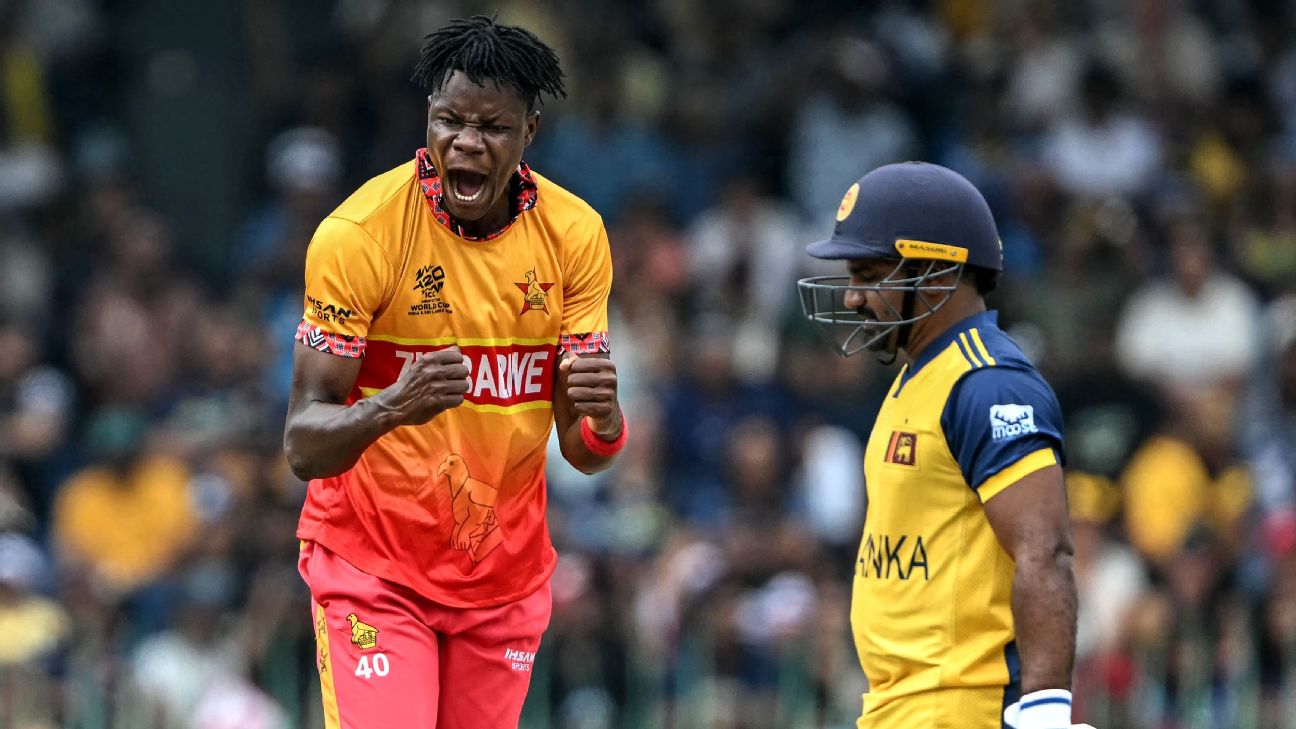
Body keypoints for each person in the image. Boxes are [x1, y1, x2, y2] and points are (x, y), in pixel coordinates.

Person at [282, 16, 627, 729]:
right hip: (374, 569)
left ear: (529, 132)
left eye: (492, 127)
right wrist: (390, 406)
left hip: (501, 580)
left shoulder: (575, 236)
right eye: (450, 121)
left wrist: (607, 419)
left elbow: (585, 451)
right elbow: (303, 444)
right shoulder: (359, 236)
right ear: (428, 119)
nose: (467, 143)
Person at [797, 162, 1092, 729]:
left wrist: (1047, 711)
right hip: (902, 707)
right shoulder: (920, 375)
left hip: (961, 708)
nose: (853, 297)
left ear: (934, 273)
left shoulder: (988, 383)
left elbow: (1044, 550)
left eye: (869, 275)